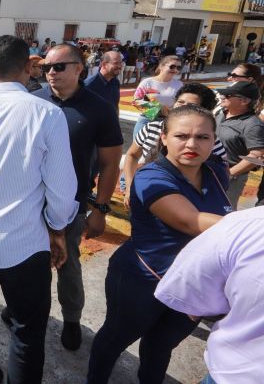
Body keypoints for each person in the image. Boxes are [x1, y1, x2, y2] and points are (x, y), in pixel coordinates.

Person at [0, 35, 78, 384]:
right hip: (24, 243)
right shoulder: (47, 114)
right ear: (28, 67)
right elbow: (62, 189)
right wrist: (57, 229)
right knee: (26, 331)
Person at [87, 105, 230, 383]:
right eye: (181, 136)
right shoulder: (150, 176)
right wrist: (251, 225)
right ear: (163, 137)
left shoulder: (216, 173)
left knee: (161, 346)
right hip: (143, 280)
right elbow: (189, 220)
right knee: (116, 338)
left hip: (192, 285)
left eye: (202, 137)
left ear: (214, 140)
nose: (192, 144)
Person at [33, 44, 123, 352]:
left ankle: (71, 319)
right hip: (30, 202)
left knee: (67, 263)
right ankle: (29, 309)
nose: (51, 73)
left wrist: (100, 209)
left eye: (59, 66)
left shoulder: (99, 108)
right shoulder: (33, 100)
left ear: (79, 69)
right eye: (46, 67)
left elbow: (111, 163)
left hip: (71, 205)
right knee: (30, 263)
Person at [155, 207, 264, 384]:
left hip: (234, 374)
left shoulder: (246, 224)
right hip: (235, 373)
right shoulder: (247, 224)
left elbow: (193, 302)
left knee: (158, 345)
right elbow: (186, 219)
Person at [123, 83, 226, 207]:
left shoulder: (210, 141)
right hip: (149, 193)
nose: (191, 144)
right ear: (164, 137)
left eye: (191, 105)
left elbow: (221, 171)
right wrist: (129, 186)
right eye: (180, 102)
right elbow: (132, 155)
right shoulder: (151, 128)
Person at [215, 81, 264, 208]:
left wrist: (229, 174)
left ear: (244, 101)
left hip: (231, 177)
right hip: (209, 170)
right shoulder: (221, 114)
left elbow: (256, 155)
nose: (222, 97)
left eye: (228, 95)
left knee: (222, 211)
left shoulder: (252, 125)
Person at [132, 54, 184, 138]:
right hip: (147, 121)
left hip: (168, 122)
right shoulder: (147, 82)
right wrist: (159, 108)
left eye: (178, 68)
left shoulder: (179, 84)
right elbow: (136, 101)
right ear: (161, 66)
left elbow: (182, 102)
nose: (175, 70)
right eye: (172, 66)